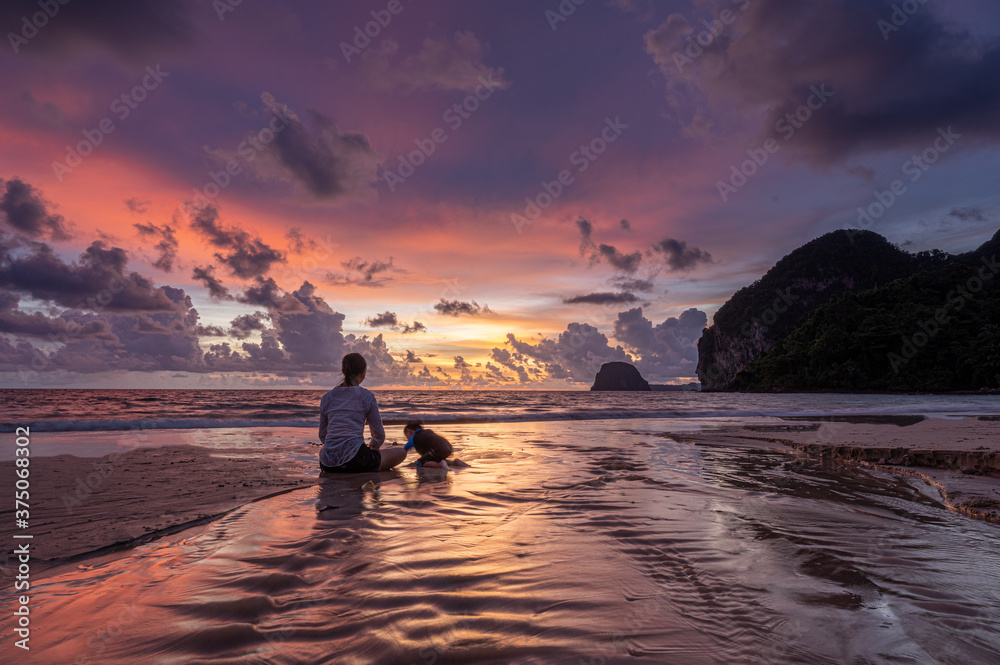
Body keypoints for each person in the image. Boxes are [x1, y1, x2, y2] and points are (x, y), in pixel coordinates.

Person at [318, 353, 406, 473]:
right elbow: (379, 434)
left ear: (344, 371)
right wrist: (373, 449)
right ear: (362, 374)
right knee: (401, 452)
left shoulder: (326, 398)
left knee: (322, 451)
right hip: (358, 460)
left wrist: (336, 449)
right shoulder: (366, 396)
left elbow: (323, 435)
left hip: (328, 463)